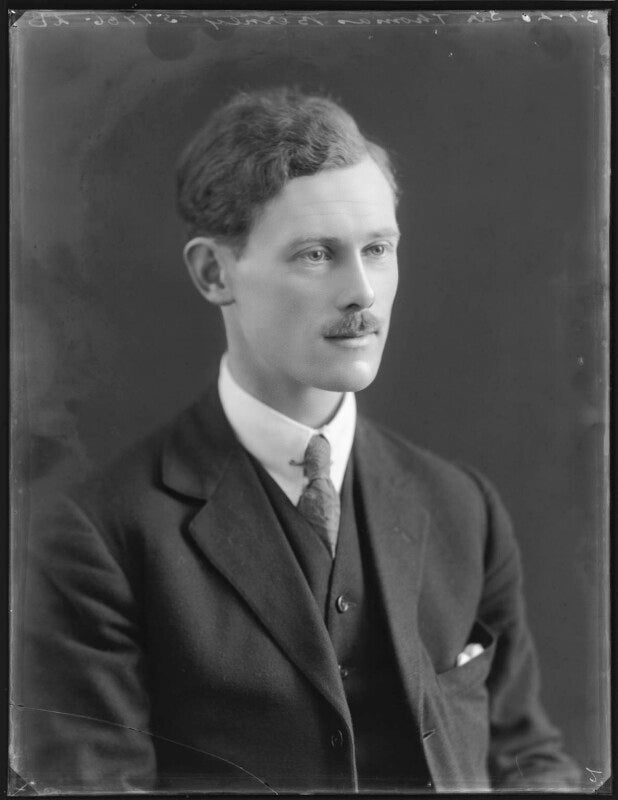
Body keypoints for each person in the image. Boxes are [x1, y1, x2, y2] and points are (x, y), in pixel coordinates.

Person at [13, 87, 581, 794]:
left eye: (378, 249)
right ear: (214, 273)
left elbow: (529, 759)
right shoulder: (100, 537)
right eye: (317, 254)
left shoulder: (464, 507)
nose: (363, 293)